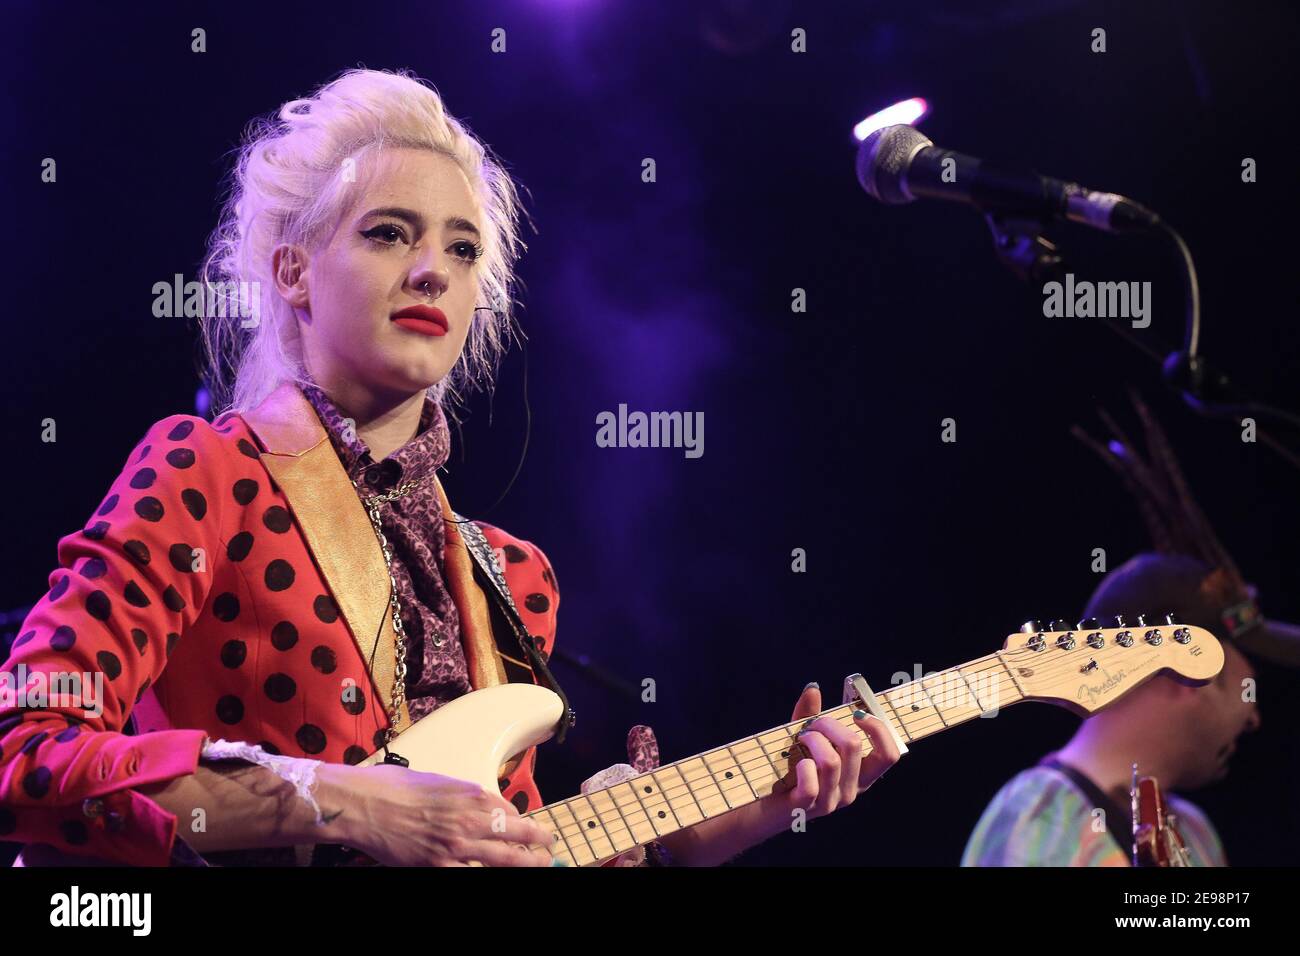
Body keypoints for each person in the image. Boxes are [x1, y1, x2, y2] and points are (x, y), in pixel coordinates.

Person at [0, 68, 899, 867]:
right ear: (294, 271)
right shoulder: (211, 474)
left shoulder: (514, 576)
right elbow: (23, 754)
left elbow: (496, 848)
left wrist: (706, 826)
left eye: (463, 249)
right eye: (390, 234)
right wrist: (348, 806)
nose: (433, 270)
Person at [962, 397, 1299, 867]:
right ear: (1185, 666)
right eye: (1250, 666)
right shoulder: (1037, 817)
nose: (1255, 715)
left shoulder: (1196, 834)